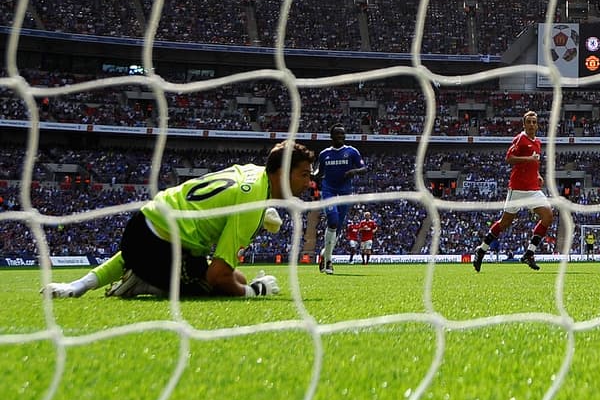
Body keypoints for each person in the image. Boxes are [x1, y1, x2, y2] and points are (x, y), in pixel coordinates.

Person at [43, 141, 314, 299]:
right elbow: (218, 277)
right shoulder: (253, 201)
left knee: (237, 275)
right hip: (159, 250)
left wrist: (78, 286)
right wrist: (256, 291)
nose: (308, 182)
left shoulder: (254, 173)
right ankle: (145, 282)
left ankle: (88, 284)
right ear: (281, 173)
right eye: (303, 174)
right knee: (223, 284)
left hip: (144, 225)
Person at [472, 110, 554, 272]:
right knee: (505, 223)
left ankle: (529, 253)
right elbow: (509, 158)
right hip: (517, 188)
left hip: (533, 189)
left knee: (548, 216)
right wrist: (528, 159)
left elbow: (534, 162)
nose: (531, 124)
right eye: (528, 122)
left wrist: (537, 174)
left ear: (537, 125)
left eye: (534, 122)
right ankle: (481, 249)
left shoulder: (537, 142)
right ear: (524, 124)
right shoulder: (520, 138)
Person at [314, 125, 368, 275]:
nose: (341, 137)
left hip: (345, 192)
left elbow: (364, 169)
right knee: (332, 221)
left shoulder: (352, 152)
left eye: (343, 135)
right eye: (338, 134)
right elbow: (319, 172)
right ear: (331, 136)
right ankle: (329, 262)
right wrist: (311, 174)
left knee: (337, 228)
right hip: (328, 190)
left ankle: (324, 254)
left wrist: (354, 171)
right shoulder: (324, 154)